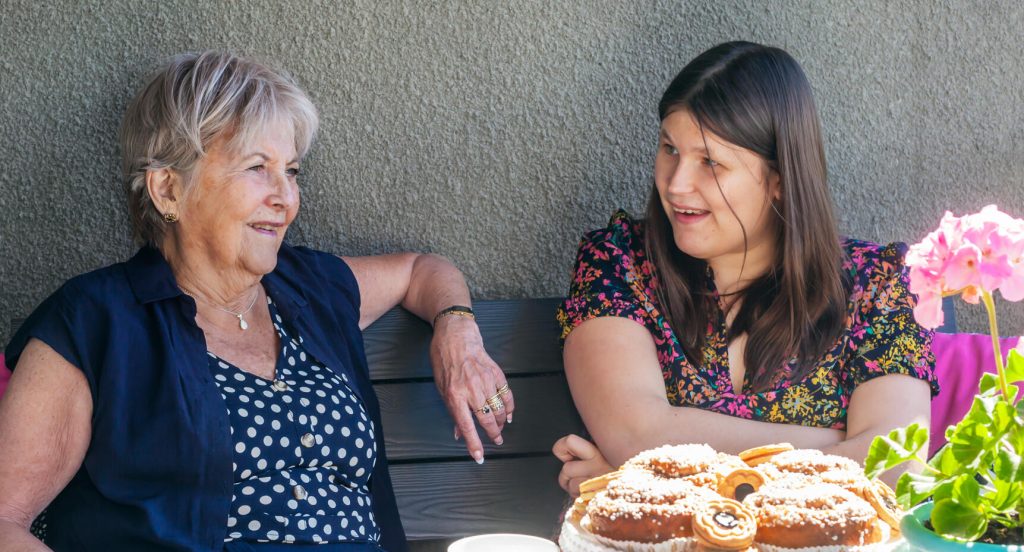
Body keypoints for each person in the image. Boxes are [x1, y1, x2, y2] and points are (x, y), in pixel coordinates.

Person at [0, 51, 514, 551]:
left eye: (292, 171)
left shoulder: (309, 289)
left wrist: (458, 333)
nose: (285, 197)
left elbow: (421, 270)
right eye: (256, 167)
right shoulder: (94, 321)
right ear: (167, 191)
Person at [553, 41, 937, 495]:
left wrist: (638, 480)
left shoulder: (878, 285)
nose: (676, 185)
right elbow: (639, 436)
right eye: (670, 149)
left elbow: (894, 467)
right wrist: (844, 448)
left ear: (778, 180)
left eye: (710, 163)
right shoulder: (618, 263)